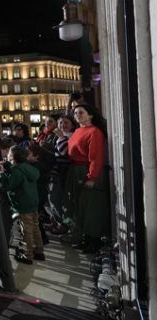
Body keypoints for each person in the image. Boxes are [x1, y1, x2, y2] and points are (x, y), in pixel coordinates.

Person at [68, 103, 110, 254]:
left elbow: (96, 157)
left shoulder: (95, 132)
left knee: (92, 207)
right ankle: (87, 239)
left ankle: (95, 242)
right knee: (81, 207)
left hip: (87, 171)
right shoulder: (78, 130)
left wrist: (92, 177)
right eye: (75, 113)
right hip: (76, 171)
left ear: (90, 115)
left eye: (81, 112)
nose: (77, 115)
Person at [0, 145, 44, 264]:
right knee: (35, 227)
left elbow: (8, 186)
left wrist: (3, 173)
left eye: (8, 153)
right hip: (33, 202)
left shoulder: (17, 170)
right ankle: (39, 251)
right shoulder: (29, 167)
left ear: (13, 157)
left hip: (23, 204)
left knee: (26, 230)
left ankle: (27, 255)